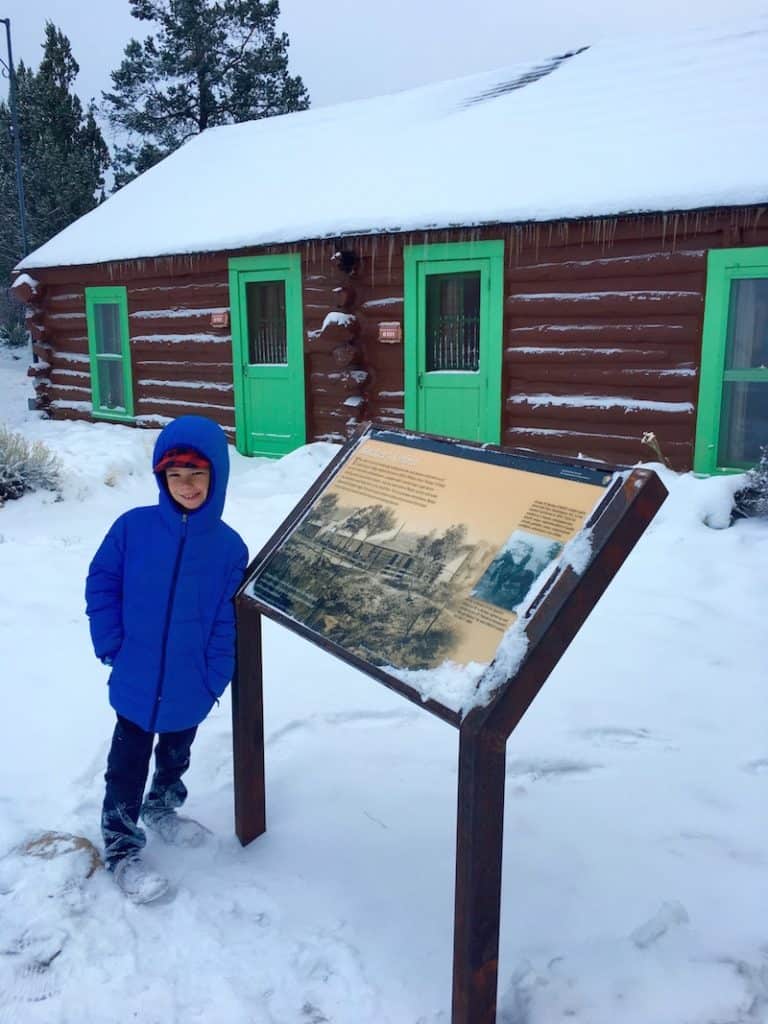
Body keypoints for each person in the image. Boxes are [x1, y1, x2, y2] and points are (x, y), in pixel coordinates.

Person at [85, 415, 248, 903]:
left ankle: (162, 807)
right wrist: (111, 641)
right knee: (126, 765)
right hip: (136, 675)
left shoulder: (228, 548)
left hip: (189, 682)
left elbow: (226, 620)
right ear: (161, 478)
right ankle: (121, 848)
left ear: (216, 477)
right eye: (175, 475)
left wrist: (212, 678)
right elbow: (102, 581)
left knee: (176, 754)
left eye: (198, 474)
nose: (187, 485)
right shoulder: (133, 528)